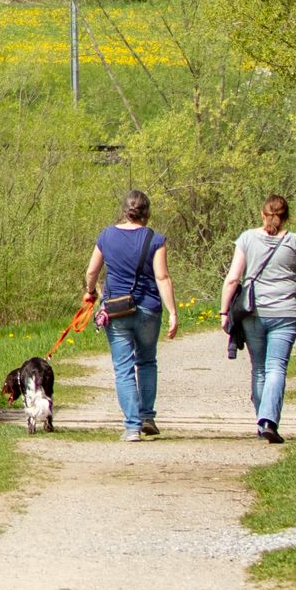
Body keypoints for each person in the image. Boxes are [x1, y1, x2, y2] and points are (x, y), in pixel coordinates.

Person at [74, 189, 179, 443]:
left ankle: (132, 427)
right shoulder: (155, 239)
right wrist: (173, 312)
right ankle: (147, 417)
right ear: (147, 213)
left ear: (125, 211)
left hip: (116, 309)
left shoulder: (107, 235)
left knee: (123, 367)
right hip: (148, 309)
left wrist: (90, 292)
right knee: (147, 362)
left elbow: (91, 272)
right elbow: (162, 277)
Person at [220, 193, 296, 443]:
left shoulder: (247, 239)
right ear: (286, 218)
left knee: (259, 368)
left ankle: (263, 423)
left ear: (263, 214)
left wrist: (223, 312)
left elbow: (232, 278)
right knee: (277, 367)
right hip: (287, 313)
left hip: (253, 312)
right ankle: (268, 420)